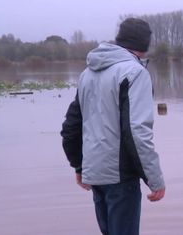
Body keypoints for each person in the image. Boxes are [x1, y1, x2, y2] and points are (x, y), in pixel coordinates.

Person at [60, 18, 165, 235]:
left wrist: (79, 166)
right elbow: (137, 132)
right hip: (121, 176)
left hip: (96, 174)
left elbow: (71, 126)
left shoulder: (87, 74)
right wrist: (154, 179)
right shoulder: (135, 73)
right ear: (144, 45)